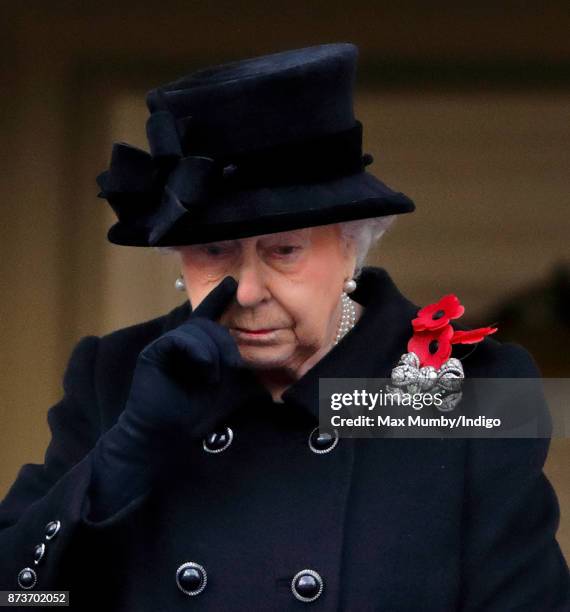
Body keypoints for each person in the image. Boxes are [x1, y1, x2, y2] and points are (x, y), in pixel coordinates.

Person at [0, 43, 568, 611]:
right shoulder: (112, 377)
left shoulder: (466, 390)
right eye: (213, 249)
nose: (246, 292)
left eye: (285, 250)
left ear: (353, 246)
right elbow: (22, 600)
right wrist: (124, 454)